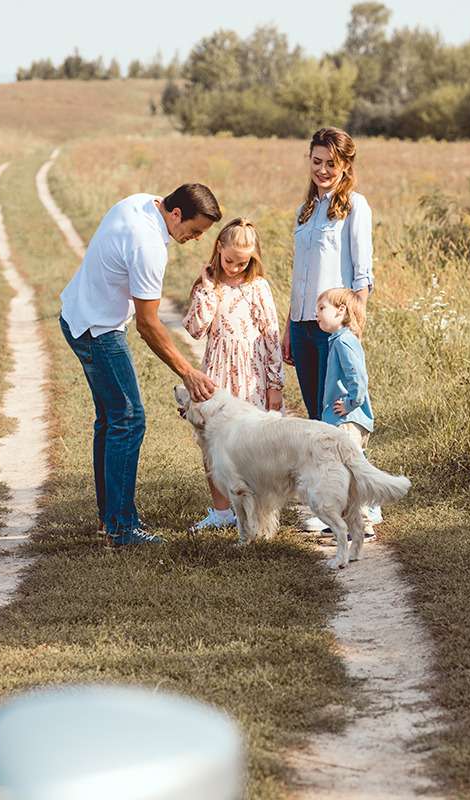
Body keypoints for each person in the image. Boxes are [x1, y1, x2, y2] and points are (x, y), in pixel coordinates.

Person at [59, 183, 221, 547]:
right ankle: (122, 527)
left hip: (78, 314)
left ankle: (110, 518)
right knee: (129, 419)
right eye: (193, 231)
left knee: (112, 418)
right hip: (96, 329)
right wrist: (188, 372)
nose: (193, 239)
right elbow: (149, 325)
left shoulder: (141, 202)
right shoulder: (148, 245)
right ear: (175, 213)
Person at [281, 127, 375, 532]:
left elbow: (362, 276)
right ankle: (331, 506)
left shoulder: (355, 207)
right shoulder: (306, 209)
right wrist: (289, 325)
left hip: (334, 327)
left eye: (330, 163)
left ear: (345, 165)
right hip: (303, 326)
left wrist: (351, 329)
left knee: (341, 420)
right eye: (316, 161)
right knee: (320, 424)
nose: (322, 170)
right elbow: (299, 275)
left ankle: (365, 506)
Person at [182, 218, 284, 531]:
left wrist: (274, 384)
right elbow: (194, 329)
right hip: (217, 374)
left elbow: (270, 336)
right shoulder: (210, 287)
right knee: (212, 442)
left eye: (243, 262)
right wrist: (208, 290)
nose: (235, 267)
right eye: (229, 260)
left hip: (251, 374)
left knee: (251, 443)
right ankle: (221, 510)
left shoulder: (258, 287)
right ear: (218, 250)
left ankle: (254, 511)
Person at [314, 287, 381, 539]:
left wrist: (352, 403)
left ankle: (363, 524)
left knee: (350, 472)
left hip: (347, 421)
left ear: (341, 311)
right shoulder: (339, 340)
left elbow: (358, 378)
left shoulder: (343, 341)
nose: (317, 315)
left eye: (322, 309)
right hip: (342, 419)